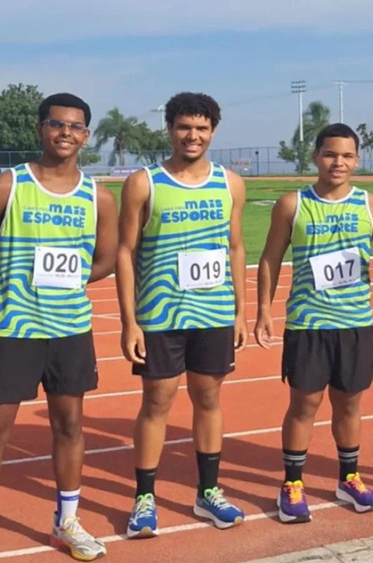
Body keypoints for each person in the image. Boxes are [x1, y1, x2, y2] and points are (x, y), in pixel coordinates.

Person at [0, 93, 118, 563]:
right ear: (40, 129)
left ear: (86, 136)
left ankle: (67, 521)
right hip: (12, 328)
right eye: (57, 124)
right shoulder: (7, 186)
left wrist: (66, 283)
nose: (66, 133)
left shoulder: (98, 197)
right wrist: (4, 282)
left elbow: (106, 259)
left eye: (75, 127)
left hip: (69, 329)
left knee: (70, 426)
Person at [117, 92, 248, 537]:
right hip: (160, 316)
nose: (193, 136)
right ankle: (144, 499)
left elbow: (235, 247)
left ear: (213, 131)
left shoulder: (230, 184)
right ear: (170, 128)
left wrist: (240, 311)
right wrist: (130, 321)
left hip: (213, 314)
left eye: (202, 128)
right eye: (184, 127)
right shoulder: (144, 183)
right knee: (157, 403)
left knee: (209, 399)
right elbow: (125, 251)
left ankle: (208, 492)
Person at [254, 123, 373, 523]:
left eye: (346, 156)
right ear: (315, 157)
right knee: (304, 405)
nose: (337, 163)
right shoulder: (292, 205)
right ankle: (292, 484)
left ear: (357, 160)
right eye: (330, 154)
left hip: (355, 324)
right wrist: (263, 311)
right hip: (308, 324)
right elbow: (270, 258)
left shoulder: (372, 206)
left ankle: (349, 478)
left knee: (350, 404)